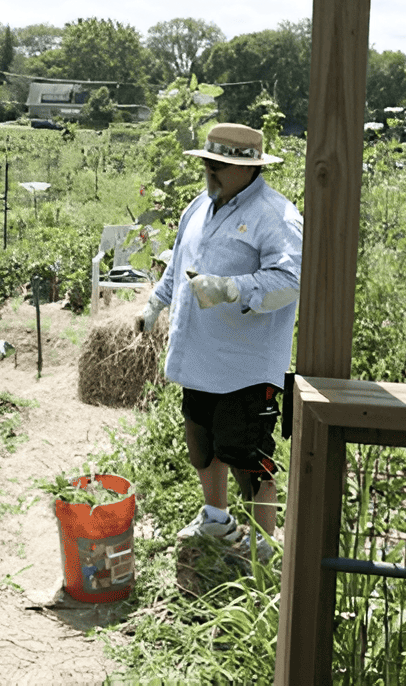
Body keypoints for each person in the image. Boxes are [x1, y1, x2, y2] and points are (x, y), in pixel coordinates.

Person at [134, 122, 303, 562]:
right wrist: (155, 302)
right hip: (200, 356)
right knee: (204, 445)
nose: (211, 169)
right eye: (209, 161)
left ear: (249, 168)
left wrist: (232, 288)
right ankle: (216, 518)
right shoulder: (199, 206)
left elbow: (289, 280)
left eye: (221, 164)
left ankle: (263, 548)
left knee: (250, 457)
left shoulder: (276, 215)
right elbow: (179, 265)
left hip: (245, 365)